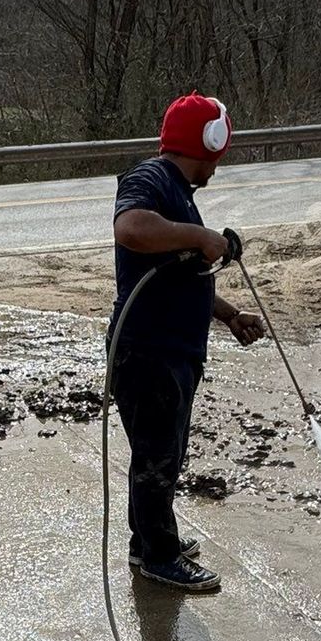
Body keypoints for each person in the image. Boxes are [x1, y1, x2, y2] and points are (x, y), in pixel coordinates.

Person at [109, 92, 265, 594]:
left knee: (161, 454)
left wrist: (228, 315)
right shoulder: (149, 180)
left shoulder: (177, 192)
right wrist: (198, 237)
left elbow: (180, 276)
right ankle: (160, 557)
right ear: (208, 144)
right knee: (157, 459)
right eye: (217, 158)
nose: (216, 169)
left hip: (167, 352)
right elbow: (130, 229)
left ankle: (147, 541)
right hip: (148, 353)